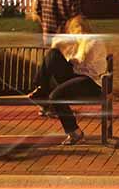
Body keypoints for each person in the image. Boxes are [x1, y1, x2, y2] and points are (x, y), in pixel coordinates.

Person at [32, 15, 106, 145]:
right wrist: (59, 47)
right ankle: (40, 88)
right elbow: (72, 62)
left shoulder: (93, 41)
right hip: (78, 76)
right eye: (74, 30)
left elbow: (80, 60)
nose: (78, 32)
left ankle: (75, 133)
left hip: (91, 82)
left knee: (56, 95)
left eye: (79, 28)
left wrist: (67, 48)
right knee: (53, 54)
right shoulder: (78, 43)